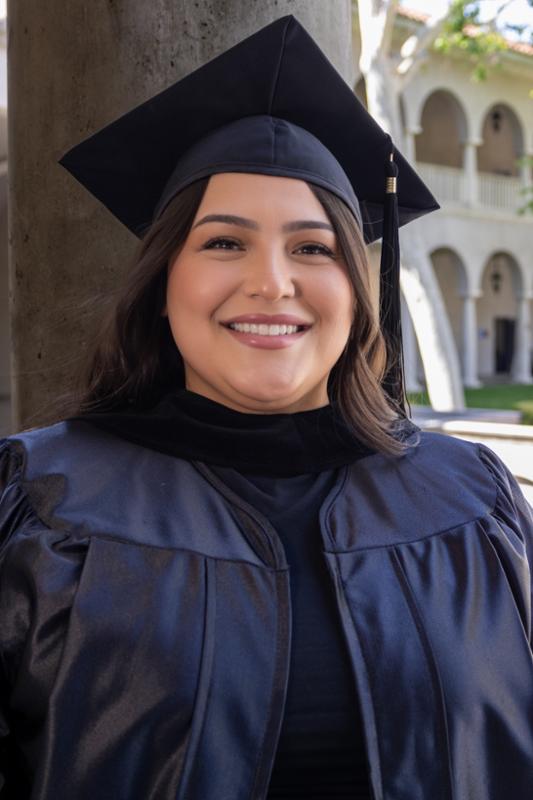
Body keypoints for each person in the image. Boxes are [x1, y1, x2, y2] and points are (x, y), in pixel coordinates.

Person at [1, 14, 532, 800]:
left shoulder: (469, 497)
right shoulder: (43, 501)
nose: (272, 282)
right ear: (163, 283)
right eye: (223, 243)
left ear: (354, 289)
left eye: (313, 247)